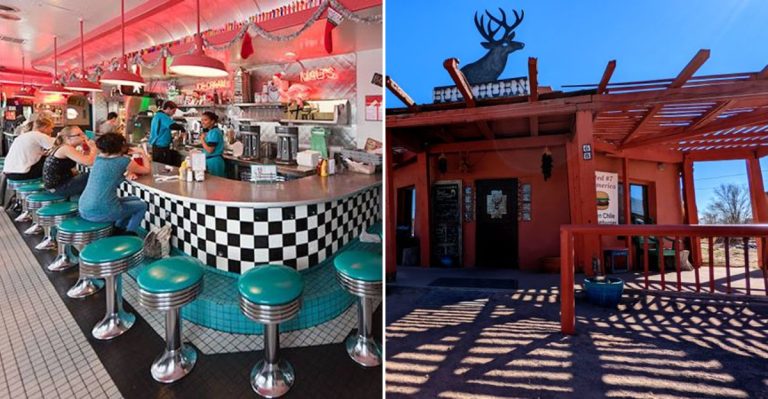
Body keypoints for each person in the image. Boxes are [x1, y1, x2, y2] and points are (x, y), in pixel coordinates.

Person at [78, 133, 151, 235]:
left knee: (134, 199)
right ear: (120, 146)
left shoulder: (98, 159)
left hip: (83, 207)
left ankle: (118, 229)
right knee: (142, 205)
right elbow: (146, 170)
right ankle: (129, 234)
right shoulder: (123, 161)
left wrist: (128, 172)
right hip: (99, 211)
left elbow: (111, 171)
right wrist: (142, 153)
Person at [42, 126, 96, 199]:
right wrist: (93, 147)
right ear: (68, 138)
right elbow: (89, 162)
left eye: (83, 134)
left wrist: (86, 148)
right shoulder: (66, 148)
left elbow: (85, 159)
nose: (84, 137)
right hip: (57, 189)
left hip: (56, 186)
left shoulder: (65, 147)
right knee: (94, 175)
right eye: (79, 135)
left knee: (87, 175)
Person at [3, 114, 55, 180]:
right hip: (22, 173)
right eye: (51, 128)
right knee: (55, 161)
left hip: (9, 173)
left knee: (46, 158)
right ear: (45, 127)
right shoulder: (39, 135)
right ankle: (59, 186)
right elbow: (58, 148)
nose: (52, 131)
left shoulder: (24, 136)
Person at [148, 101, 182, 165]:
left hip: (157, 147)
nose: (174, 113)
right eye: (173, 111)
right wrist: (182, 129)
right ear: (168, 108)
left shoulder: (158, 115)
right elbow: (173, 126)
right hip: (161, 148)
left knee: (159, 167)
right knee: (163, 168)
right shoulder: (163, 116)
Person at [199, 111, 226, 177]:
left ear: (212, 121)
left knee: (215, 184)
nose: (202, 122)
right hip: (211, 161)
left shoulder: (214, 132)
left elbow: (210, 150)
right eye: (202, 120)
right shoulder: (211, 131)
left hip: (214, 162)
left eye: (205, 120)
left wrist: (202, 139)